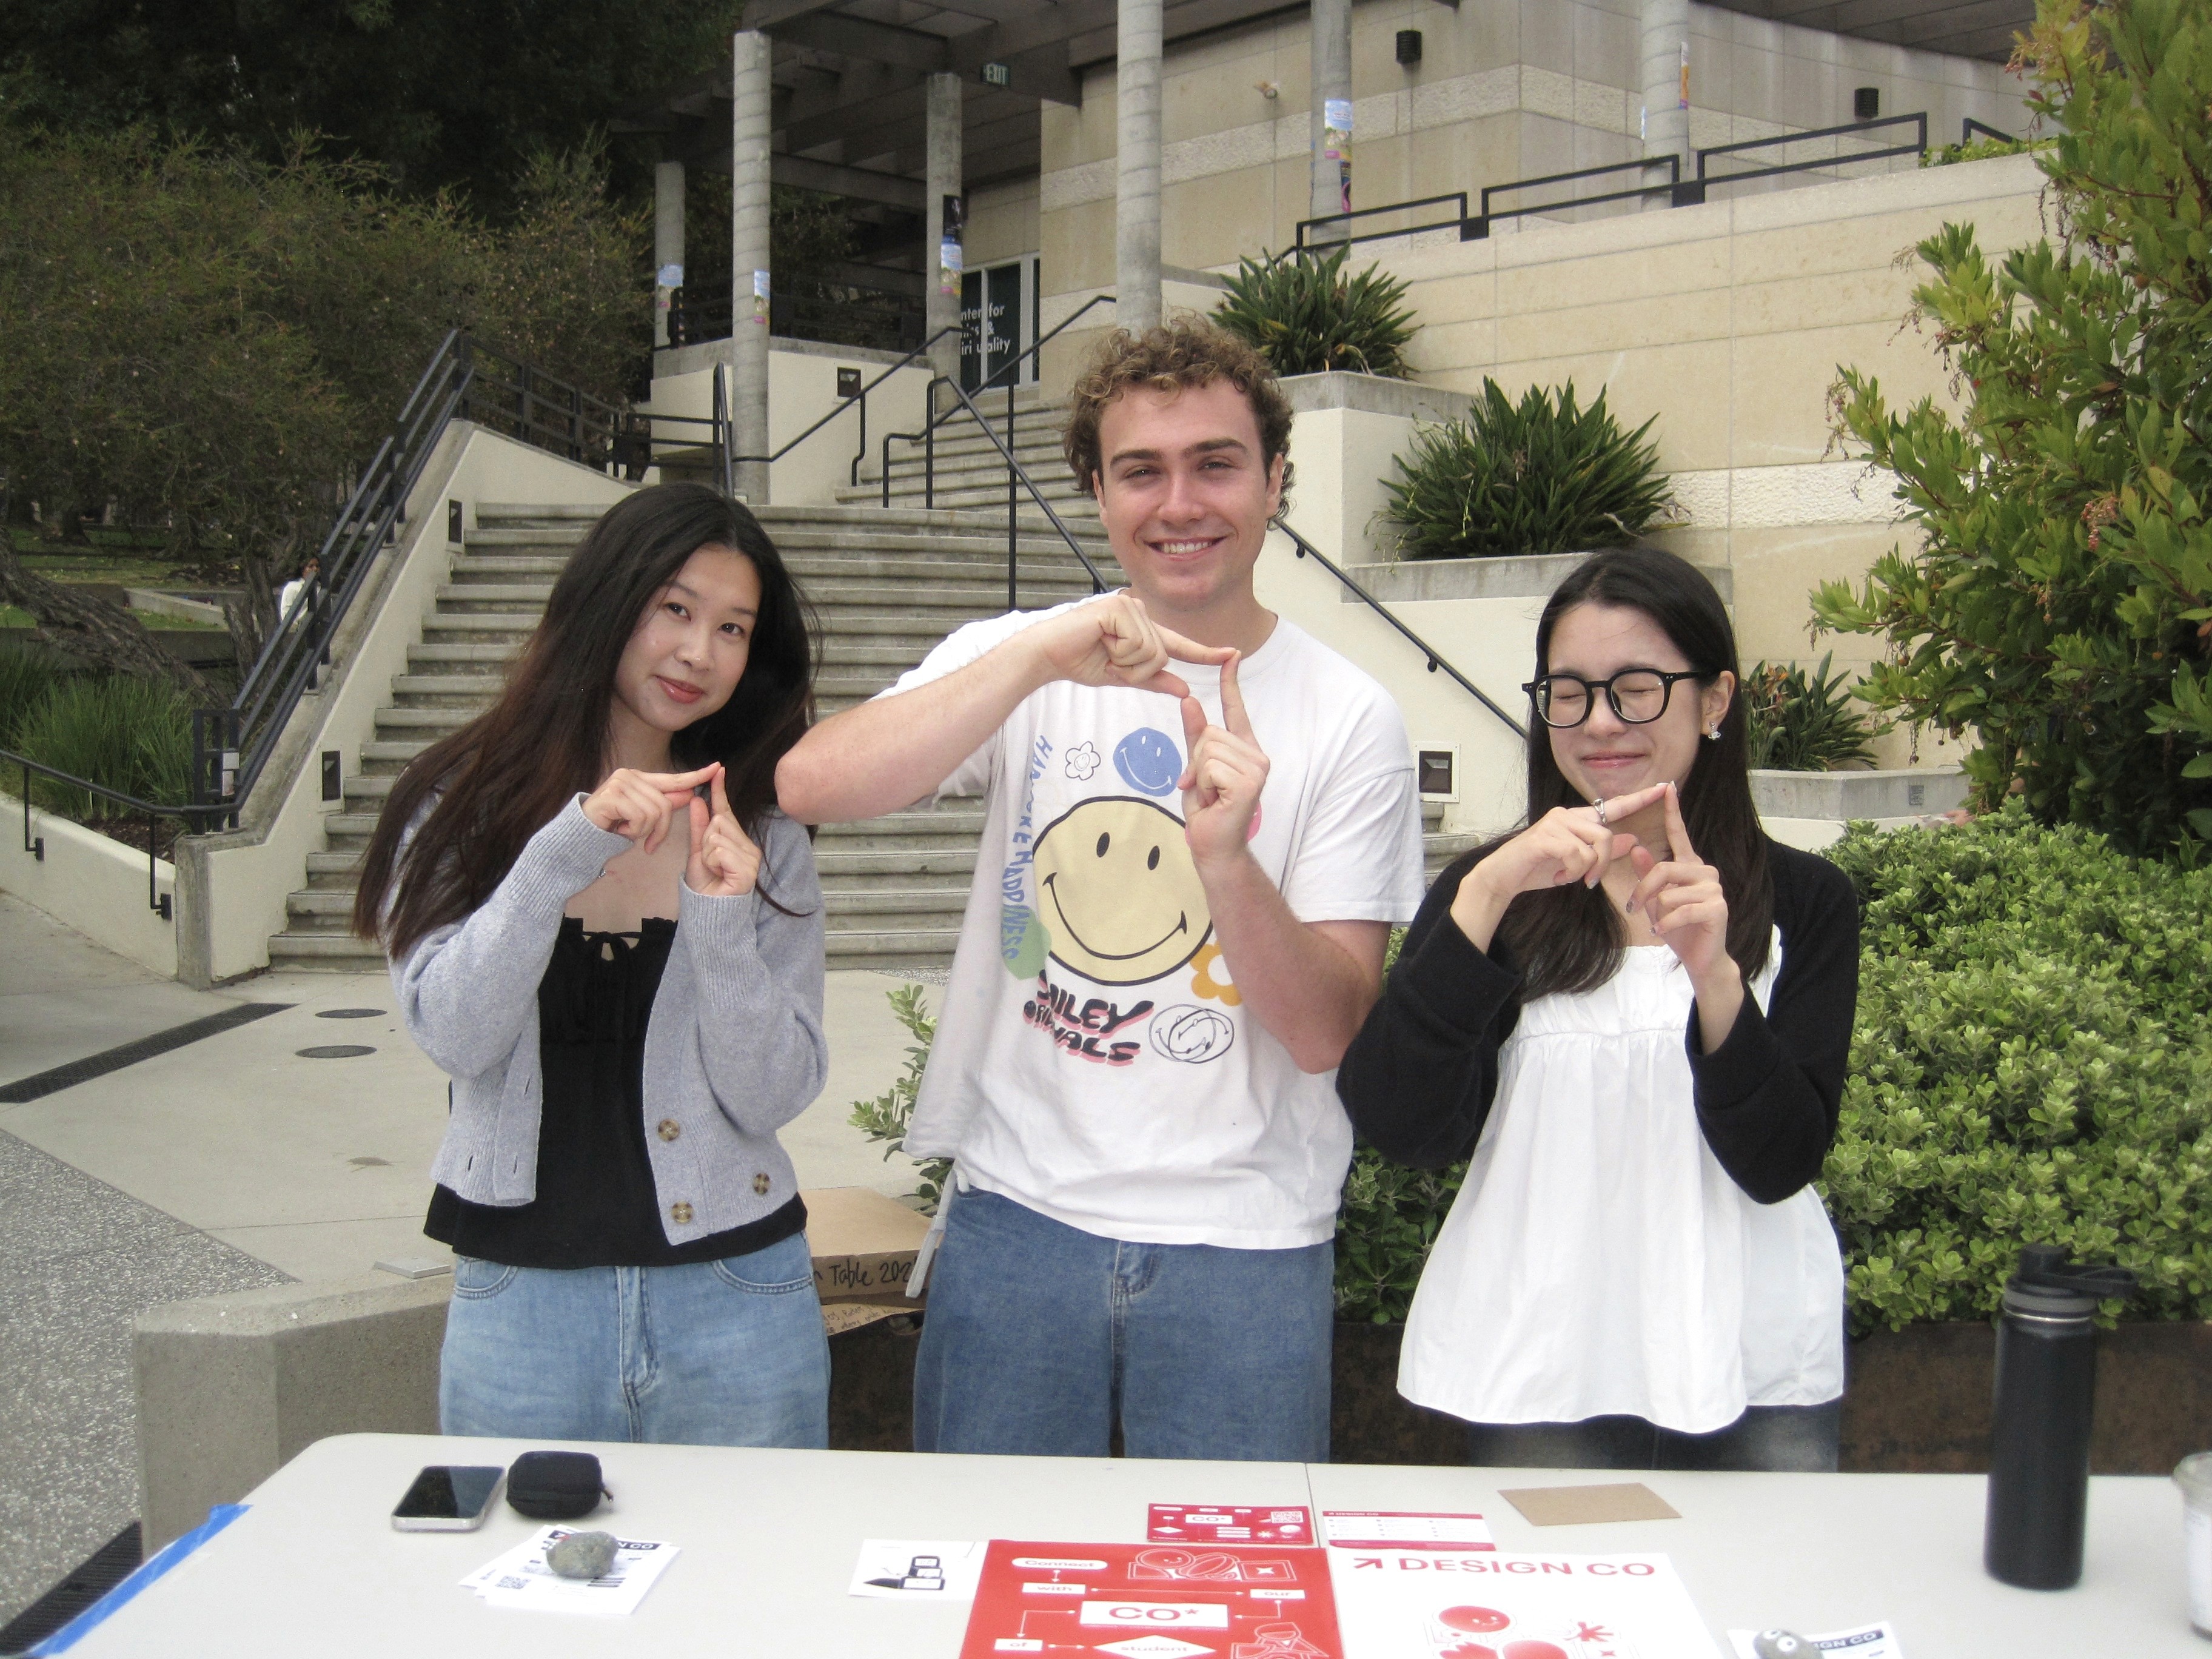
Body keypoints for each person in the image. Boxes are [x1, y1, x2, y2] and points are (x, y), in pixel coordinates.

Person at [776, 320, 1426, 1462]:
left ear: (1275, 479)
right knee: (991, 1563)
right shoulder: (1028, 654)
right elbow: (810, 784)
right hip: (1015, 1223)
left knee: (1229, 1572)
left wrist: (1227, 862)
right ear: (1096, 489)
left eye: (1216, 463)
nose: (1180, 503)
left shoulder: (1351, 716)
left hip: (1248, 1245)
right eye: (1141, 470)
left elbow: (1328, 1032)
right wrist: (1035, 657)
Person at [1335, 546, 1859, 1472]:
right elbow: (1403, 1126)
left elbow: (1781, 1163)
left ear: (1716, 700)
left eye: (1637, 690)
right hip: (1545, 1366)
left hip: (1753, 1358)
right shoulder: (1500, 895)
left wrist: (1716, 979)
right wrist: (1485, 892)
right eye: (1569, 694)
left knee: (1770, 1567)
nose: (1600, 723)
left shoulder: (1806, 901)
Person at [351, 482, 832, 1446]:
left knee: (755, 1547)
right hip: (522, 1304)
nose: (699, 653)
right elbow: (455, 1033)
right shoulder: (455, 804)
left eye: (733, 629)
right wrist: (559, 856)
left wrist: (720, 921)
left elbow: (773, 1093)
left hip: (738, 1296)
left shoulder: (760, 833)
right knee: (517, 1546)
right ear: (607, 599)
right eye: (675, 609)